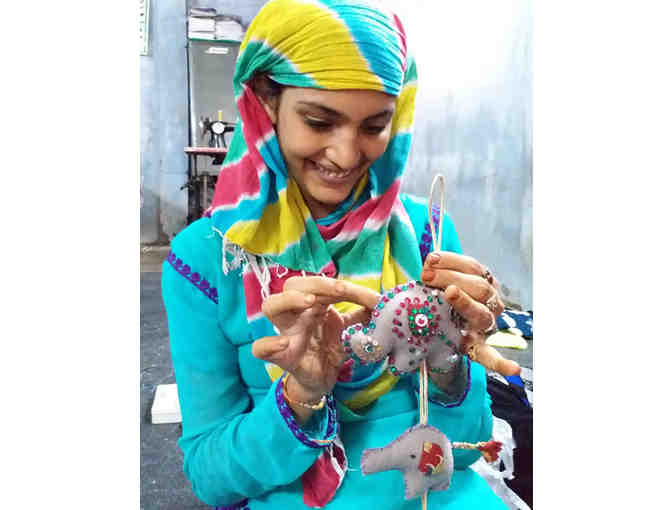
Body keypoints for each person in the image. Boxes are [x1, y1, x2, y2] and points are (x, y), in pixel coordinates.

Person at [162, 0, 516, 508]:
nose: (347, 155)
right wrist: (301, 396)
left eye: (374, 127)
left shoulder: (428, 235)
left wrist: (446, 362)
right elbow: (212, 477)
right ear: (265, 102)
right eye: (319, 121)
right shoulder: (206, 261)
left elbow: (464, 447)